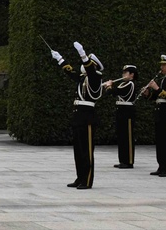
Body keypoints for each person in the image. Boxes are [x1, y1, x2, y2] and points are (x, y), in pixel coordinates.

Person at [50, 41, 103, 189]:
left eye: (88, 64)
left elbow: (90, 70)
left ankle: (87, 180)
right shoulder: (83, 79)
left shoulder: (95, 78)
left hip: (88, 117)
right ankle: (80, 177)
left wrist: (82, 54)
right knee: (78, 150)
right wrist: (60, 59)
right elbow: (70, 72)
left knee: (86, 151)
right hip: (79, 116)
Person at [138, 55, 166, 176]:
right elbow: (157, 97)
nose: (161, 67)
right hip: (160, 111)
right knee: (160, 141)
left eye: (164, 65)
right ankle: (161, 166)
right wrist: (147, 94)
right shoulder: (163, 80)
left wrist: (156, 88)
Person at [104, 65, 137, 169]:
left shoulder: (130, 84)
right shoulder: (123, 83)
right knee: (121, 136)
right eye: (123, 72)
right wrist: (109, 86)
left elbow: (114, 92)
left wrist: (109, 85)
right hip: (121, 111)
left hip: (127, 112)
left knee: (127, 137)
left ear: (132, 75)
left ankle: (129, 161)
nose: (123, 75)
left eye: (126, 73)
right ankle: (123, 160)